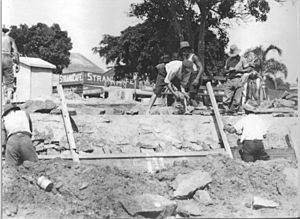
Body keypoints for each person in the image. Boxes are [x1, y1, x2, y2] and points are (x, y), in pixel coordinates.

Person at [223, 44, 254, 113]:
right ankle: (226, 110)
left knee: (237, 98)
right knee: (226, 97)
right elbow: (224, 71)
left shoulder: (242, 59)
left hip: (239, 79)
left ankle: (234, 111)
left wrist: (239, 71)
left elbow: (248, 69)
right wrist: (230, 71)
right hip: (230, 79)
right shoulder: (228, 60)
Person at [179, 41, 204, 107]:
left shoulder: (194, 57)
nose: (184, 51)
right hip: (188, 77)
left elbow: (201, 68)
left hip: (194, 76)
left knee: (192, 97)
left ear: (188, 49)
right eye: (183, 50)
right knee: (186, 95)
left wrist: (197, 79)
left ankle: (197, 109)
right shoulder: (184, 57)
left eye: (185, 49)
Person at [2, 25, 20, 103]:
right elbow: (15, 52)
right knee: (9, 80)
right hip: (7, 57)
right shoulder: (10, 39)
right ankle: (9, 96)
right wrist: (17, 63)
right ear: (5, 31)